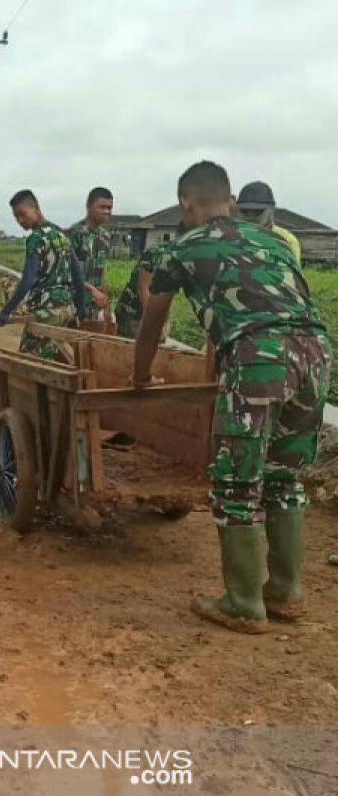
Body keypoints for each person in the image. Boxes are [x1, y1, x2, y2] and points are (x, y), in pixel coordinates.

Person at [132, 161, 330, 635]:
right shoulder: (272, 241)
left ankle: (243, 602)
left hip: (260, 357)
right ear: (232, 201)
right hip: (317, 354)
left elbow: (154, 319)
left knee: (235, 483)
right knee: (284, 477)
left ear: (186, 202)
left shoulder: (183, 246)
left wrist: (140, 376)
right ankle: (285, 591)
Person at [0, 190, 104, 364]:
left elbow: (27, 279)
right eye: (16, 217)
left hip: (47, 311)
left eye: (22, 214)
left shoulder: (35, 238)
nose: (20, 221)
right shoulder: (59, 234)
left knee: (27, 361)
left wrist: (5, 312)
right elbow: (76, 273)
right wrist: (80, 309)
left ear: (35, 208)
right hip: (66, 309)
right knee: (53, 358)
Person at [113, 224, 185, 340]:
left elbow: (167, 295)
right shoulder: (156, 253)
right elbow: (142, 288)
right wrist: (154, 321)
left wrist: (165, 322)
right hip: (132, 314)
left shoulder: (183, 262)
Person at [68, 187, 114, 317]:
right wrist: (91, 289)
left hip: (94, 303)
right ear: (89, 206)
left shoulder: (105, 236)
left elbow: (102, 270)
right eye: (102, 207)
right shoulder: (75, 233)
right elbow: (66, 271)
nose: (106, 211)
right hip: (73, 302)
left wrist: (105, 302)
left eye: (109, 208)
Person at [235, 181, 303, 265]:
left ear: (271, 210)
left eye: (257, 212)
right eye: (244, 211)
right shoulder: (230, 236)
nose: (250, 217)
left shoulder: (287, 240)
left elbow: (294, 274)